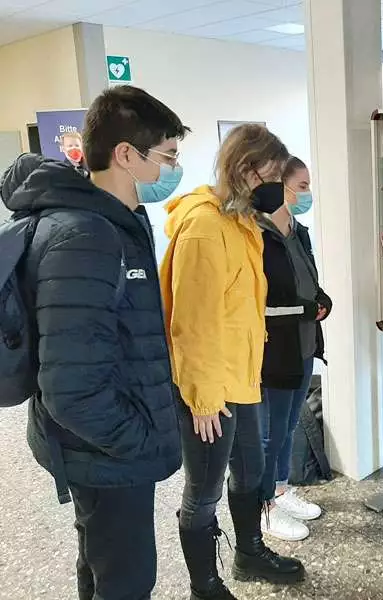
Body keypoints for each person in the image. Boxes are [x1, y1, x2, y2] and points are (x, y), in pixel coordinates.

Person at [0, 85, 187, 600]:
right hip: (106, 450)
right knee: (125, 579)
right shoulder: (86, 235)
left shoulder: (113, 223)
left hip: (102, 445)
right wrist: (140, 442)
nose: (172, 170)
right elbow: (71, 388)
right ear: (125, 155)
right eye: (167, 156)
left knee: (103, 565)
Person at [161, 124, 305, 600]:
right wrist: (201, 400)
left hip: (242, 377)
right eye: (272, 176)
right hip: (209, 390)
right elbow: (192, 323)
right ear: (245, 170)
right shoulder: (203, 227)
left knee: (250, 469)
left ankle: (249, 553)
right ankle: (205, 585)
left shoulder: (239, 224)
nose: (277, 188)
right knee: (204, 489)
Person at [257, 156, 332, 542]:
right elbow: (259, 303)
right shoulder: (259, 235)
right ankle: (263, 507)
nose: (307, 193)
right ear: (279, 187)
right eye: (300, 186)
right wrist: (305, 308)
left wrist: (322, 299)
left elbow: (308, 282)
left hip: (304, 347)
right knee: (271, 432)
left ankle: (281, 489)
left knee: (288, 428)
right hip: (275, 352)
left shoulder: (298, 232)